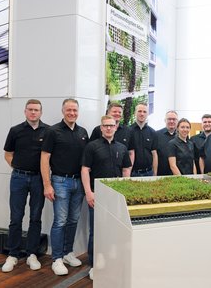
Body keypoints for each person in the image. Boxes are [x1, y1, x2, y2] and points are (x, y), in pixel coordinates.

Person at [40, 98, 89, 276]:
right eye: (68, 110)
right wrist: (47, 184)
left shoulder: (83, 132)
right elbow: (44, 158)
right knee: (60, 221)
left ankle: (68, 253)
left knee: (73, 220)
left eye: (75, 110)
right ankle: (57, 258)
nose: (72, 113)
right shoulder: (53, 131)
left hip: (78, 183)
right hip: (60, 182)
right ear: (63, 111)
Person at [81, 115, 132, 280]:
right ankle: (94, 264)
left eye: (111, 125)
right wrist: (88, 192)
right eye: (105, 126)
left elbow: (126, 171)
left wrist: (124, 193)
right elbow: (85, 170)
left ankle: (110, 261)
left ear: (116, 127)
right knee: (96, 230)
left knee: (114, 229)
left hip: (116, 197)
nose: (109, 128)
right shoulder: (91, 147)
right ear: (101, 128)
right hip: (97, 195)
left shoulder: (122, 148)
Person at [2, 99, 49, 273]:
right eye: (30, 109)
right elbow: (8, 154)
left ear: (41, 112)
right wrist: (18, 167)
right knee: (16, 217)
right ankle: (13, 254)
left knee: (35, 217)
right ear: (25, 111)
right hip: (19, 179)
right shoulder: (15, 131)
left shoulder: (49, 131)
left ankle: (32, 254)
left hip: (38, 179)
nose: (33, 113)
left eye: (36, 110)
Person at [129, 103, 158, 177]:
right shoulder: (128, 131)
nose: (142, 114)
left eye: (144, 112)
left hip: (149, 173)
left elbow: (154, 154)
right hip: (133, 173)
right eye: (139, 111)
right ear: (135, 113)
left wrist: (154, 174)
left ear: (148, 114)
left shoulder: (152, 132)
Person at [156, 110, 178, 175]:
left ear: (177, 121)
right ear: (165, 120)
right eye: (169, 119)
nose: (171, 121)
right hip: (161, 173)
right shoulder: (156, 135)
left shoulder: (182, 136)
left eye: (174, 119)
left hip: (177, 173)